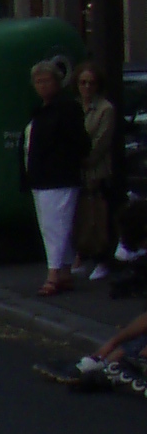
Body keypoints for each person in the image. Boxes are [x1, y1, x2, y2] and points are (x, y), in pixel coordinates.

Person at [25, 56, 89, 297]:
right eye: (38, 81)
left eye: (47, 80)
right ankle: (63, 272)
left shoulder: (66, 109)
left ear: (57, 82)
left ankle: (54, 273)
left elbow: (79, 142)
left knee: (56, 224)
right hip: (41, 177)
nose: (42, 85)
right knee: (50, 224)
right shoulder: (41, 111)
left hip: (59, 175)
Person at [77, 60, 119, 280]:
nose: (86, 87)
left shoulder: (105, 109)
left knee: (99, 217)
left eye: (91, 83)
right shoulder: (74, 107)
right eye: (82, 82)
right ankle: (82, 256)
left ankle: (103, 259)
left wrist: (84, 160)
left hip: (97, 171)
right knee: (82, 217)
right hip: (77, 172)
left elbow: (101, 142)